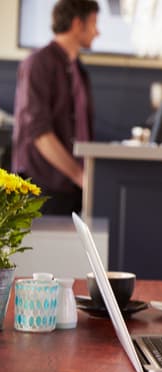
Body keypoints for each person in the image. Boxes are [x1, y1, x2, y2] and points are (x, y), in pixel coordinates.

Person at [12, 0, 99, 215]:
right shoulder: (37, 63)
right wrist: (81, 176)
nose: (98, 32)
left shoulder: (78, 68)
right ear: (78, 23)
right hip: (43, 190)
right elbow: (40, 134)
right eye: (94, 23)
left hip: (71, 189)